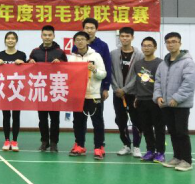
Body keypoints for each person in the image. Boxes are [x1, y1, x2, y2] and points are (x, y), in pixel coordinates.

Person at [154, 32, 195, 172]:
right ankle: (177, 157)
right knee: (172, 132)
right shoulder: (163, 64)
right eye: (168, 42)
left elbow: (189, 83)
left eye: (174, 41)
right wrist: (158, 97)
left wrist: (177, 98)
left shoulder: (187, 62)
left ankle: (187, 161)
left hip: (181, 105)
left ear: (180, 43)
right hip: (166, 104)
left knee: (181, 132)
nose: (171, 44)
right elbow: (157, 82)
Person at [68, 31, 107, 160]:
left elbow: (103, 74)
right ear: (74, 42)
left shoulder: (96, 56)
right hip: (78, 96)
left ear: (87, 41)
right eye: (77, 39)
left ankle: (98, 147)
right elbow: (68, 76)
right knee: (78, 122)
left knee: (97, 122)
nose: (80, 42)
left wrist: (94, 70)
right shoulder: (71, 58)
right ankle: (79, 145)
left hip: (94, 95)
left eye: (82, 39)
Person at [28, 25, 68, 152]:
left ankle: (54, 142)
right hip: (41, 89)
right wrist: (29, 62)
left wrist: (60, 63)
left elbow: (68, 69)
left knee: (55, 119)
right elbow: (28, 68)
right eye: (45, 35)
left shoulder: (60, 52)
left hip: (55, 89)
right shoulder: (35, 52)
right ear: (41, 36)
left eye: (49, 35)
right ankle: (44, 141)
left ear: (54, 36)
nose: (47, 37)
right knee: (42, 119)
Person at [110, 27, 144, 157]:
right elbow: (110, 73)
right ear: (119, 37)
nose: (124, 38)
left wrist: (125, 89)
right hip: (117, 94)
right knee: (120, 120)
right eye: (122, 36)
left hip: (133, 94)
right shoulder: (113, 54)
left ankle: (136, 147)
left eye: (127, 36)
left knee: (136, 121)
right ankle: (126, 145)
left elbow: (138, 75)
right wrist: (116, 89)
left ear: (132, 37)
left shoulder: (139, 55)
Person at [133, 37, 166, 163]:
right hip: (142, 100)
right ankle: (150, 150)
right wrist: (136, 97)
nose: (146, 48)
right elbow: (137, 82)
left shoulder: (161, 63)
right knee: (146, 128)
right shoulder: (138, 64)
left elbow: (163, 82)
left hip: (155, 100)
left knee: (159, 128)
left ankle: (160, 152)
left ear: (155, 47)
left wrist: (160, 97)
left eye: (149, 45)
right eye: (144, 45)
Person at [0, 31, 27, 152]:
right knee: (6, 116)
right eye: (8, 38)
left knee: (16, 115)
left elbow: (27, 70)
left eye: (13, 38)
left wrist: (23, 63)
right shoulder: (0, 55)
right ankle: (6, 140)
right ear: (5, 40)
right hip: (4, 90)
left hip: (17, 90)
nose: (10, 40)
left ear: (16, 40)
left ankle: (14, 141)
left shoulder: (22, 55)